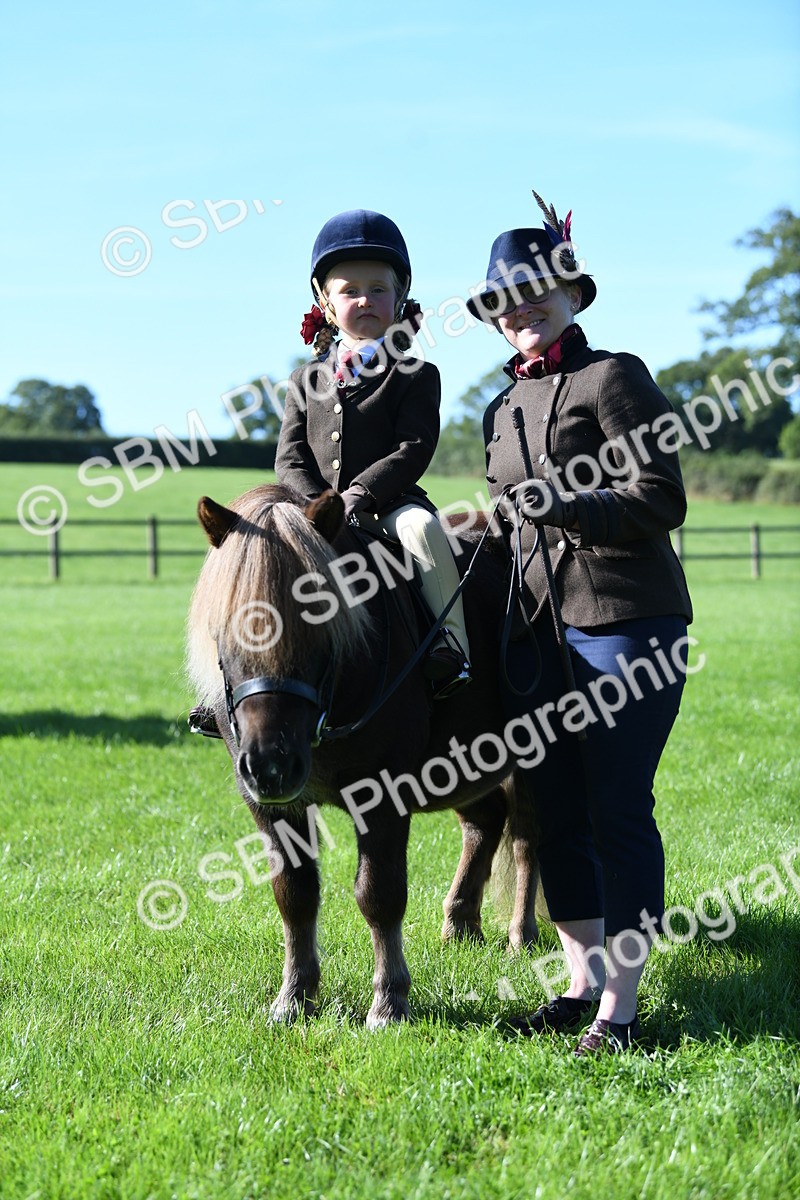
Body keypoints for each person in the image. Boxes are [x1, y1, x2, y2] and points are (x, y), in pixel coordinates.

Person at [468, 192, 693, 1055]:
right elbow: (503, 520)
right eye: (504, 301)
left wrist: (567, 504)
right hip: (536, 637)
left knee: (614, 808)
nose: (521, 310)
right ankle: (579, 983)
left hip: (626, 620)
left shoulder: (616, 376)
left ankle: (623, 1010)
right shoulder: (499, 410)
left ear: (570, 294)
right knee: (551, 812)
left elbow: (659, 497)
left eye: (536, 292)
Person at [275, 208, 471, 696]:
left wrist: (360, 494)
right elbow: (289, 458)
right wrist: (317, 504)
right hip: (310, 508)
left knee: (424, 530)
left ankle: (453, 643)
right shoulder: (304, 380)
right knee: (252, 553)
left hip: (388, 506)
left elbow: (413, 448)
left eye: (379, 289)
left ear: (400, 296)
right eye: (349, 290)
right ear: (324, 299)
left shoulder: (417, 376)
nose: (365, 299)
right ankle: (236, 673)